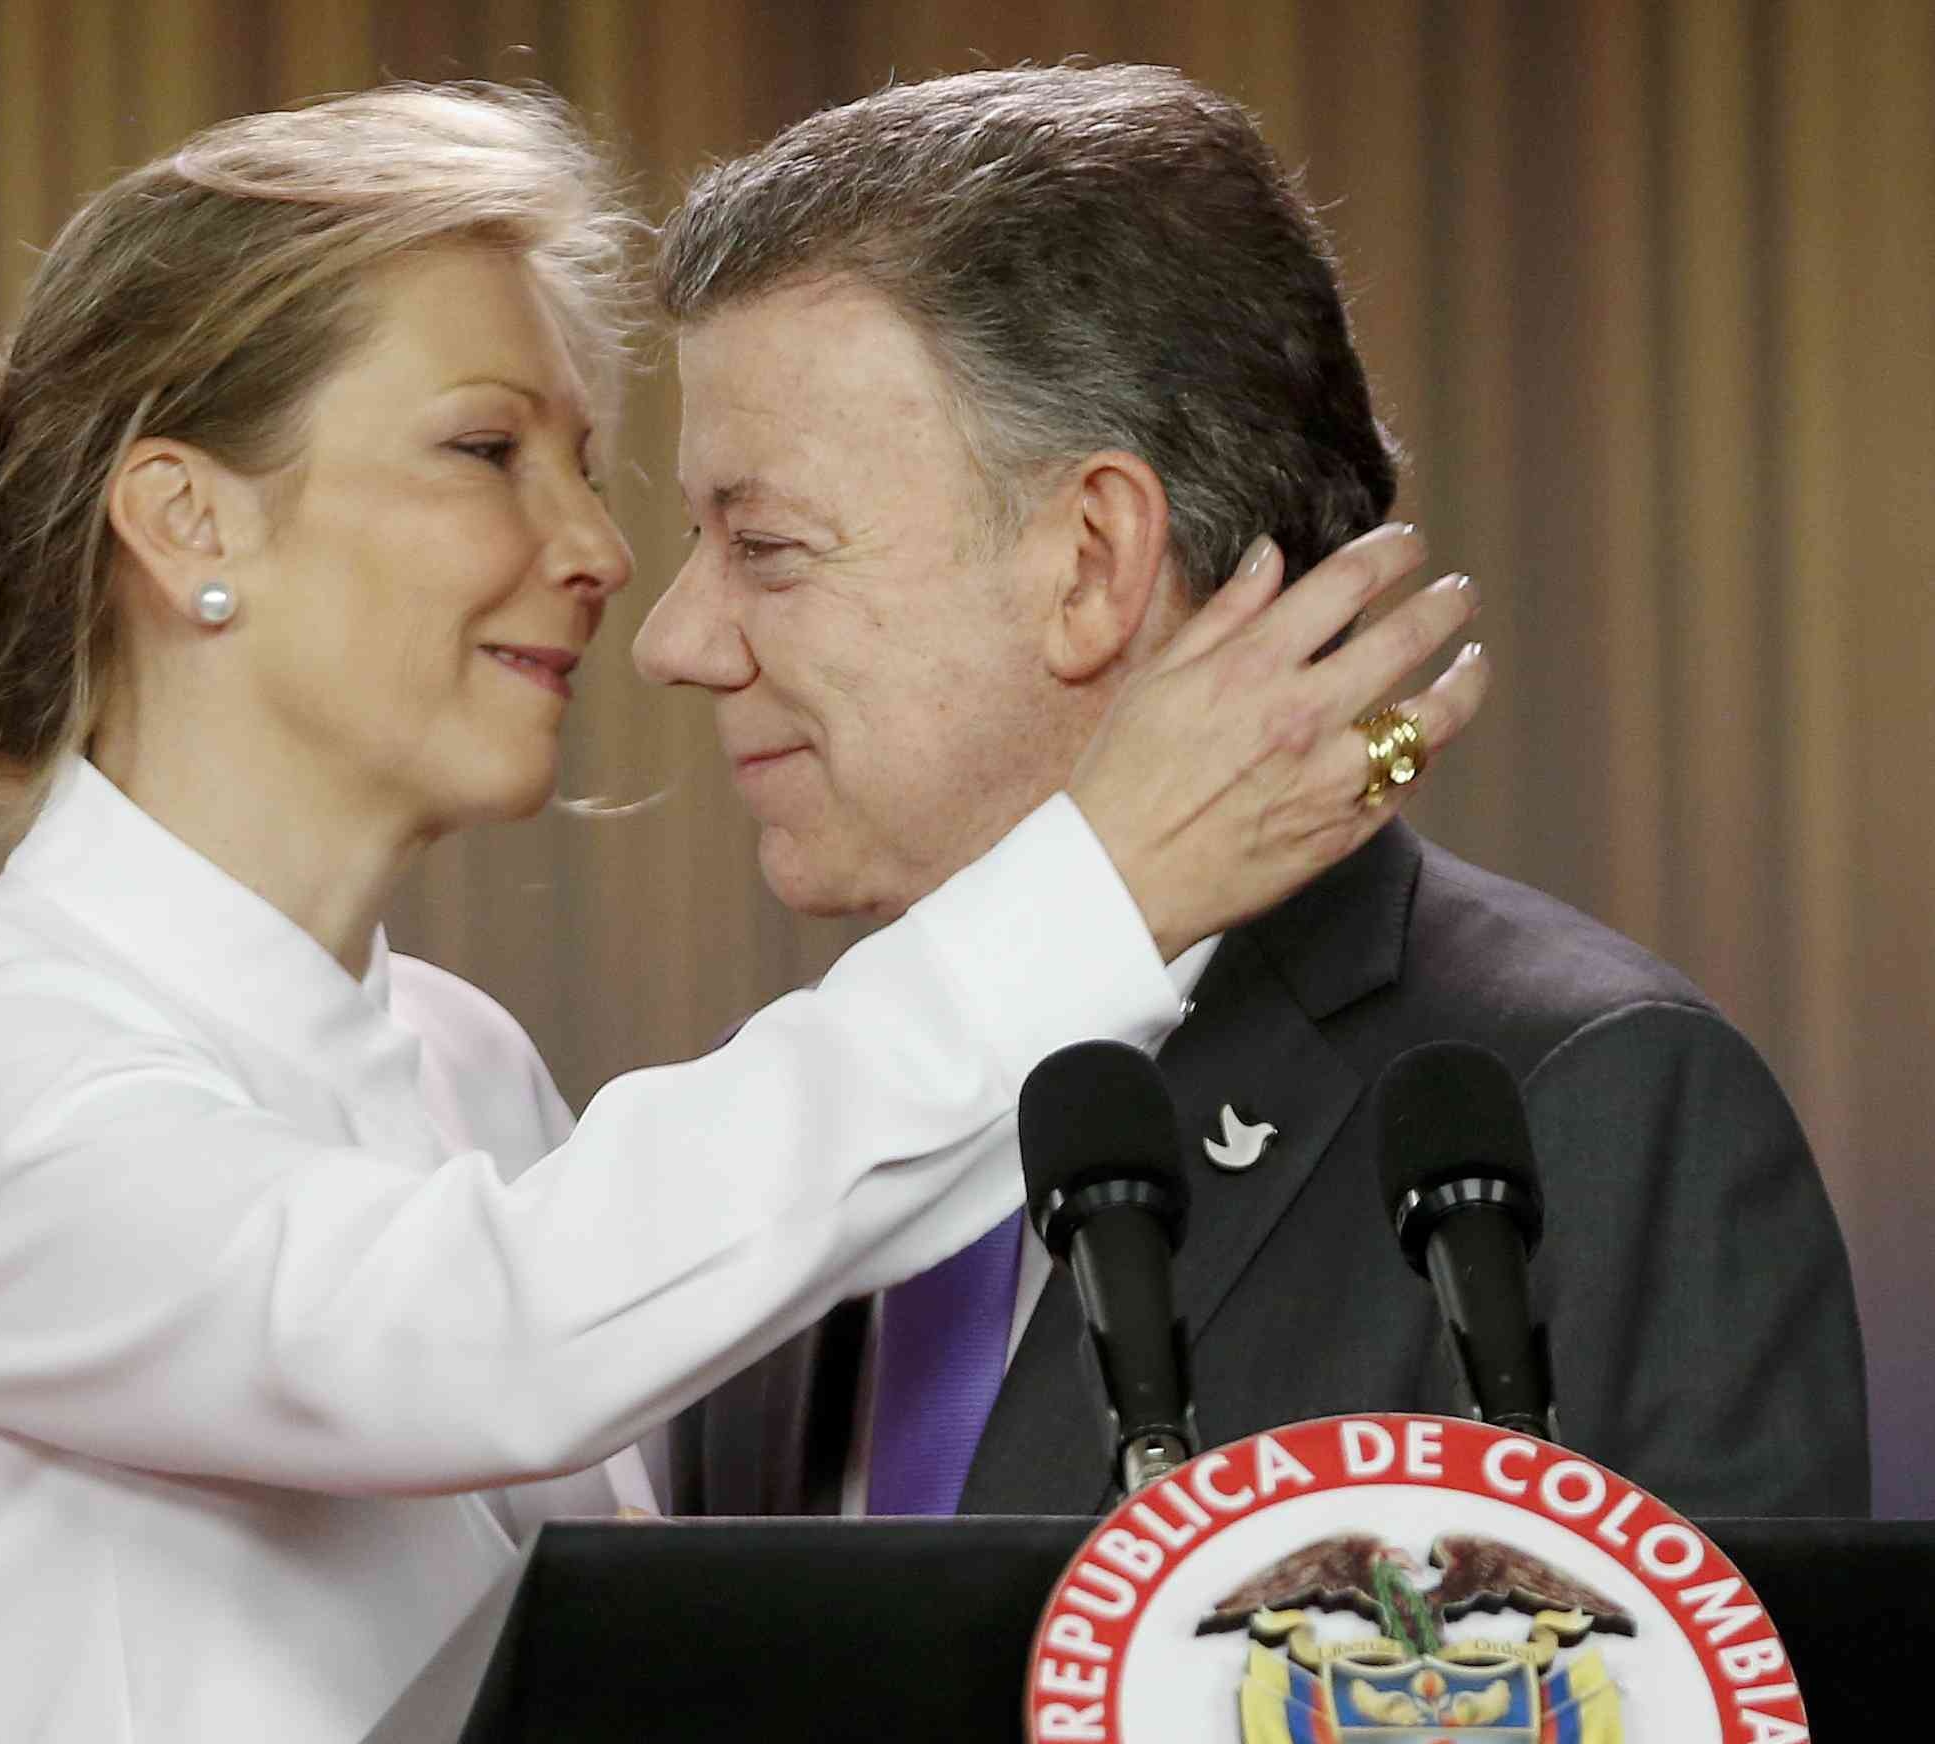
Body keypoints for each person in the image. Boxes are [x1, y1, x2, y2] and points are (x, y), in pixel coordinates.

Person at [0, 83, 1485, 1744]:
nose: (595, 548)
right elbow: (474, 1345)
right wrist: (1106, 880)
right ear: (187, 516)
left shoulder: (461, 1064)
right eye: (485, 449)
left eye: (580, 467)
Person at [643, 63, 1870, 1525]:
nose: (674, 641)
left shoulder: (1582, 1105)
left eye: (765, 548)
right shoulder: (805, 1109)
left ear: (1091, 561)